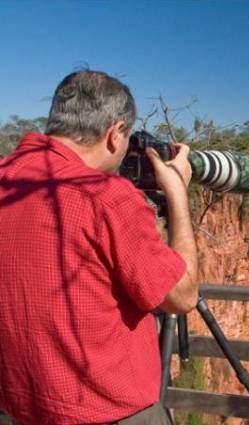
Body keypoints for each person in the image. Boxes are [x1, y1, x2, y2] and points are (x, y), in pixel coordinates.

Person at [0, 70, 199, 424]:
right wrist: (178, 195)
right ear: (114, 134)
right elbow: (182, 297)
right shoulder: (106, 197)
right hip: (105, 412)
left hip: (17, 408)